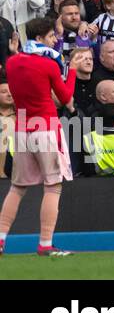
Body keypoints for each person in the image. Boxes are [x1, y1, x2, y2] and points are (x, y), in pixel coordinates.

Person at [0, 19, 75, 256]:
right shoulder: (49, 64)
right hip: (46, 127)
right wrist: (71, 71)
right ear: (41, 38)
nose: (55, 40)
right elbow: (65, 97)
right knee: (53, 187)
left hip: (23, 128)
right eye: (52, 36)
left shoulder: (12, 62)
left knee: (17, 187)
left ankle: (0, 240)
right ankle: (45, 244)